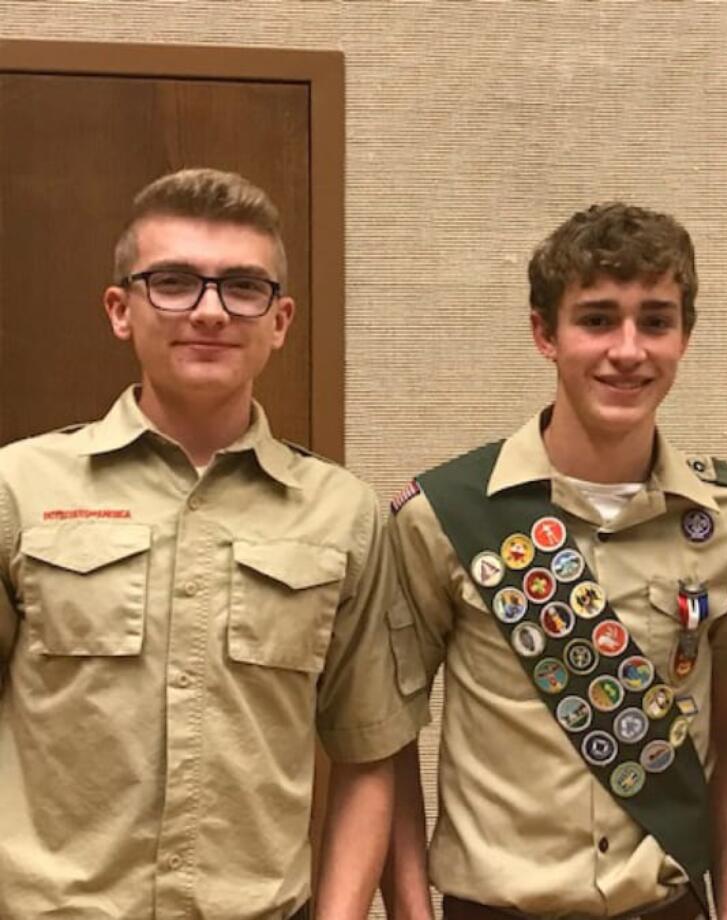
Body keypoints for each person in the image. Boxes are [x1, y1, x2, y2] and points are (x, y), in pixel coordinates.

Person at [0, 168, 428, 919]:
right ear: (120, 310)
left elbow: (368, 753)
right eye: (172, 281)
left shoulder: (343, 515)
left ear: (281, 320)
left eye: (242, 287)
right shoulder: (17, 490)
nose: (208, 311)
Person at [383, 203, 727, 920]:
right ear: (546, 334)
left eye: (655, 321)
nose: (628, 350)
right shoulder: (442, 517)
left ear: (684, 336)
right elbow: (384, 739)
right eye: (598, 319)